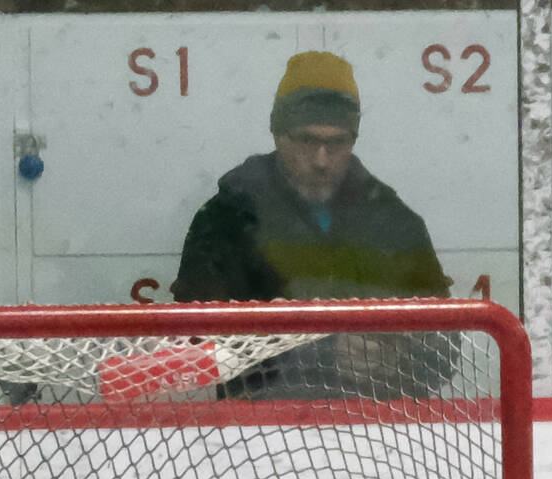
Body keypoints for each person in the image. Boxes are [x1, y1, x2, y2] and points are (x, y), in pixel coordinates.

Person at [171, 51, 451, 399]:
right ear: (277, 134)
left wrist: (399, 358)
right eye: (306, 140)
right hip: (256, 436)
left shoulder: (396, 223)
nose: (321, 160)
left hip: (377, 434)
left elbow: (445, 346)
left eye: (336, 143)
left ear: (353, 140)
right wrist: (325, 354)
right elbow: (194, 341)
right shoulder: (224, 220)